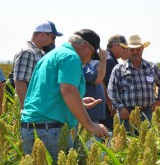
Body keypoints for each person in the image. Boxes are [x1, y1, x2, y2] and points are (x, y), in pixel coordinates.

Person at [20, 29, 109, 161]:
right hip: (49, 131)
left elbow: (45, 93)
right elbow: (68, 90)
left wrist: (80, 101)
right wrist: (90, 125)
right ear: (86, 47)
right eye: (92, 55)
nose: (90, 60)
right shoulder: (71, 57)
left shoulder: (51, 56)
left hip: (31, 129)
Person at [107, 35, 160, 132]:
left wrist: (159, 100)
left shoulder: (151, 67)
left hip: (148, 112)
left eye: (138, 49)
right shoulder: (119, 69)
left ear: (142, 49)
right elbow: (112, 90)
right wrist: (120, 107)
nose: (135, 52)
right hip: (127, 114)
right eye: (132, 50)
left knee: (148, 144)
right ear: (127, 50)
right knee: (127, 143)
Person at [12, 20, 62, 109]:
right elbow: (20, 83)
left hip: (38, 107)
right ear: (43, 34)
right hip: (31, 109)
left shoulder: (39, 53)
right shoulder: (27, 52)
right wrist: (26, 109)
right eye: (53, 37)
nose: (53, 42)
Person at [100, 34, 127, 131]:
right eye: (123, 47)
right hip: (105, 106)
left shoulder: (108, 58)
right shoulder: (109, 60)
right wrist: (110, 103)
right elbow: (103, 83)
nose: (124, 50)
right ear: (115, 45)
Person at [83, 48, 108, 123]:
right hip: (87, 114)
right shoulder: (81, 65)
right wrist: (103, 60)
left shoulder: (88, 64)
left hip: (93, 113)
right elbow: (97, 79)